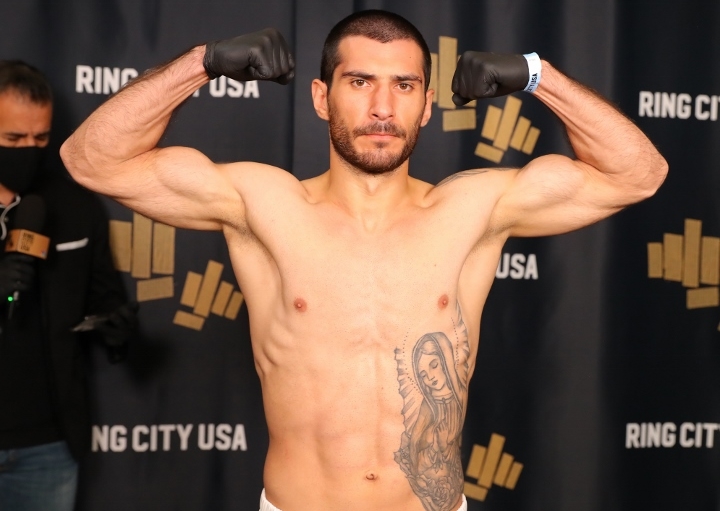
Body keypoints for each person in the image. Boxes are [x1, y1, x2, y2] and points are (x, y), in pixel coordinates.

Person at [60, 9, 667, 511]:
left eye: (403, 86)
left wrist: (538, 75)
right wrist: (203, 63)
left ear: (427, 105)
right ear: (321, 98)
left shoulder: (473, 209)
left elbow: (638, 175)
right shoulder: (263, 205)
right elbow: (92, 161)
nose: (382, 107)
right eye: (359, 82)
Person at [0, 60, 138, 511]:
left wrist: (117, 328)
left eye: (40, 138)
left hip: (48, 447)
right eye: (13, 140)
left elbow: (104, 295)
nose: (28, 150)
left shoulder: (74, 204)